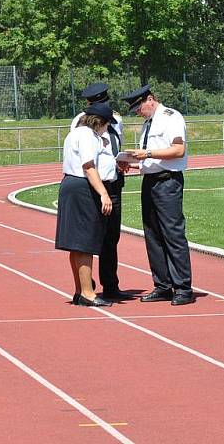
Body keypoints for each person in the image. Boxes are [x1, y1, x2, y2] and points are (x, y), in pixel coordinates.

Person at [122, 84, 194, 306]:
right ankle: (162, 285)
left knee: (172, 234)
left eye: (138, 107)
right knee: (152, 235)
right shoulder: (148, 123)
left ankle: (182, 287)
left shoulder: (171, 117)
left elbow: (178, 150)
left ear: (150, 99)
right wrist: (131, 164)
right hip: (151, 181)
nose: (137, 112)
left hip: (168, 182)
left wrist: (148, 153)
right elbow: (151, 161)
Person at [71, 83, 132, 301]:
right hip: (94, 184)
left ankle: (110, 284)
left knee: (111, 237)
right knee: (89, 236)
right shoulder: (82, 122)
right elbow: (86, 158)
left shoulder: (115, 119)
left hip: (114, 182)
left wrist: (122, 162)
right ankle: (86, 285)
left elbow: (114, 147)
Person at [55, 102, 116, 307]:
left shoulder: (75, 133)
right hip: (82, 188)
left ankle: (80, 290)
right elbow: (89, 167)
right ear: (100, 122)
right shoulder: (88, 136)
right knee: (84, 242)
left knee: (76, 243)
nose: (106, 129)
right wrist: (104, 194)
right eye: (107, 125)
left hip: (71, 185)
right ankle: (88, 293)